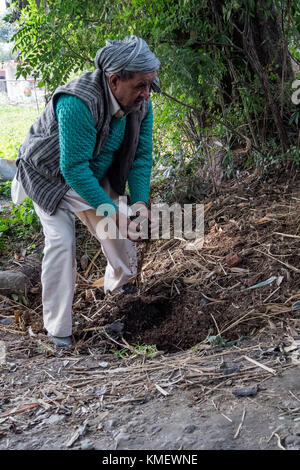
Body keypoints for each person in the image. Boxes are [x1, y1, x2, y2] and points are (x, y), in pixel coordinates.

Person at [11, 36, 160, 347]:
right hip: (47, 175)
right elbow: (73, 169)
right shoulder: (77, 101)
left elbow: (141, 156)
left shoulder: (140, 103)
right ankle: (59, 333)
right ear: (115, 80)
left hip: (91, 173)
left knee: (123, 227)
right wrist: (111, 211)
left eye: (150, 85)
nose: (146, 93)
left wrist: (141, 204)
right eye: (141, 86)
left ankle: (121, 300)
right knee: (62, 243)